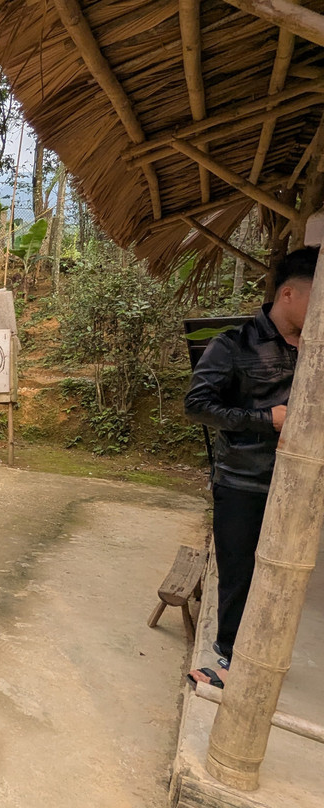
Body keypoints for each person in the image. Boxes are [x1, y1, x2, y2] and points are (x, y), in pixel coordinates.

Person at [185, 246, 317, 688]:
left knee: (285, 580)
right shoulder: (233, 344)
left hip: (300, 485)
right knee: (239, 575)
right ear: (288, 296)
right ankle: (227, 660)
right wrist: (266, 420)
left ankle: (262, 658)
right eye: (316, 300)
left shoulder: (316, 351)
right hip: (244, 482)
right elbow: (198, 405)